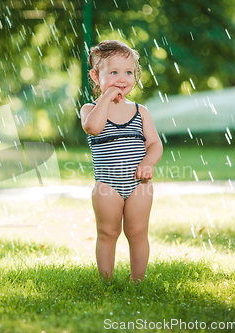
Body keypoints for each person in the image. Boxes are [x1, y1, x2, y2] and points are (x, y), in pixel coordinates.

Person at [80, 40, 163, 281]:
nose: (122, 78)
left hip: (139, 184)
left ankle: (138, 281)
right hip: (107, 185)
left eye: (128, 72)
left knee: (137, 232)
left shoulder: (140, 111)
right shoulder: (90, 109)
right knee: (107, 232)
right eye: (113, 72)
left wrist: (148, 162)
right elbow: (93, 128)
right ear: (96, 77)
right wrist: (105, 98)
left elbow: (155, 144)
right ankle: (106, 281)